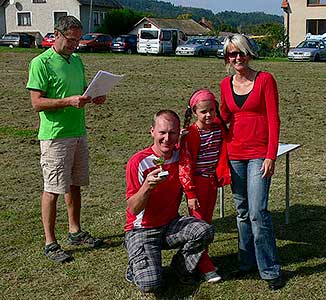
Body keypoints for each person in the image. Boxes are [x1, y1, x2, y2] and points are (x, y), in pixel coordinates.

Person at [26, 16, 106, 263]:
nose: (75, 45)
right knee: (52, 188)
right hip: (55, 137)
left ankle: (75, 230)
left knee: (74, 185)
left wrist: (93, 98)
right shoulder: (41, 63)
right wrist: (67, 101)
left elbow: (80, 93)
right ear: (56, 35)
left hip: (78, 132)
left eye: (78, 40)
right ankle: (50, 242)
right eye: (71, 40)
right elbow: (37, 103)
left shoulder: (77, 60)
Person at [219, 34, 285, 290]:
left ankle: (269, 269)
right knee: (243, 213)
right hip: (234, 154)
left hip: (259, 155)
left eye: (241, 53)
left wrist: (271, 155)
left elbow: (273, 120)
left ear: (249, 53)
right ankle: (245, 263)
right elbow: (223, 116)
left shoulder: (265, 79)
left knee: (258, 213)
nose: (237, 58)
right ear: (227, 58)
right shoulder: (226, 84)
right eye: (232, 54)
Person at [124, 110, 214, 293]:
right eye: (162, 132)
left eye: (172, 133)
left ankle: (180, 268)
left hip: (170, 224)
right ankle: (137, 264)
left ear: (178, 133)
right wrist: (147, 187)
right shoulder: (139, 162)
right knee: (151, 285)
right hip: (142, 229)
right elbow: (133, 208)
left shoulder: (181, 157)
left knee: (204, 230)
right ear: (152, 132)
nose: (167, 138)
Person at [179, 89, 231, 283]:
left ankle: (198, 259)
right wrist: (190, 192)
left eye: (212, 110)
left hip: (211, 182)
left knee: (207, 223)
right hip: (197, 183)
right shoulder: (192, 133)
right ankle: (204, 265)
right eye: (203, 112)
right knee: (200, 224)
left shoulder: (218, 128)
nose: (208, 115)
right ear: (194, 112)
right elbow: (185, 164)